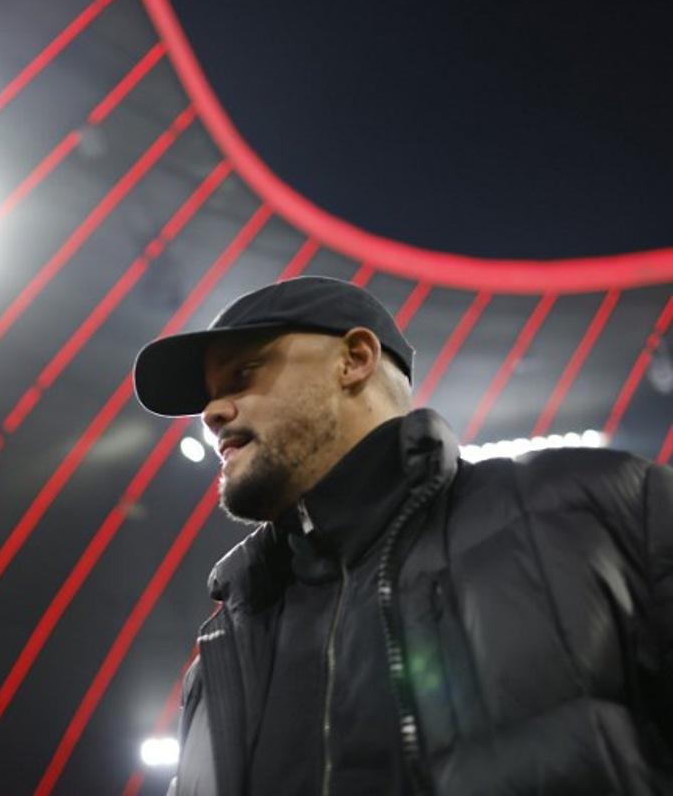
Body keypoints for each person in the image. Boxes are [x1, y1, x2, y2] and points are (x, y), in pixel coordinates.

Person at [131, 276, 673, 795]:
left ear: (355, 359)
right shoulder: (218, 658)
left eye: (244, 374)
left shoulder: (599, 513)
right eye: (210, 395)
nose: (211, 413)